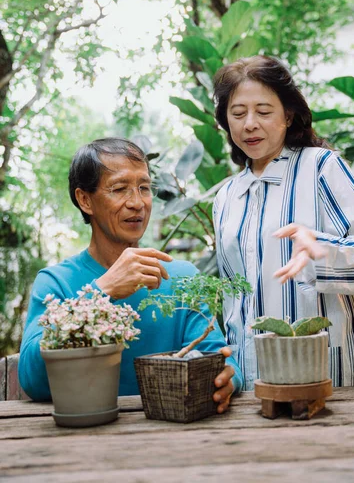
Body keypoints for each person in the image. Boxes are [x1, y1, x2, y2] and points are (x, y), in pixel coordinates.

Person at [19, 137, 242, 413]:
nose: (137, 203)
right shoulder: (56, 283)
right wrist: (102, 292)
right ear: (85, 199)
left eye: (144, 188)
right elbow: (33, 380)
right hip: (84, 439)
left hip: (175, 436)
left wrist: (229, 378)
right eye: (120, 188)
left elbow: (219, 358)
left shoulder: (182, 277)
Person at [212, 55, 354, 390]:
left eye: (264, 111)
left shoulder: (322, 167)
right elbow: (234, 302)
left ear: (288, 115)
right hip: (250, 381)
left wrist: (322, 251)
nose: (250, 123)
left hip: (325, 376)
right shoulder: (227, 197)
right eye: (238, 113)